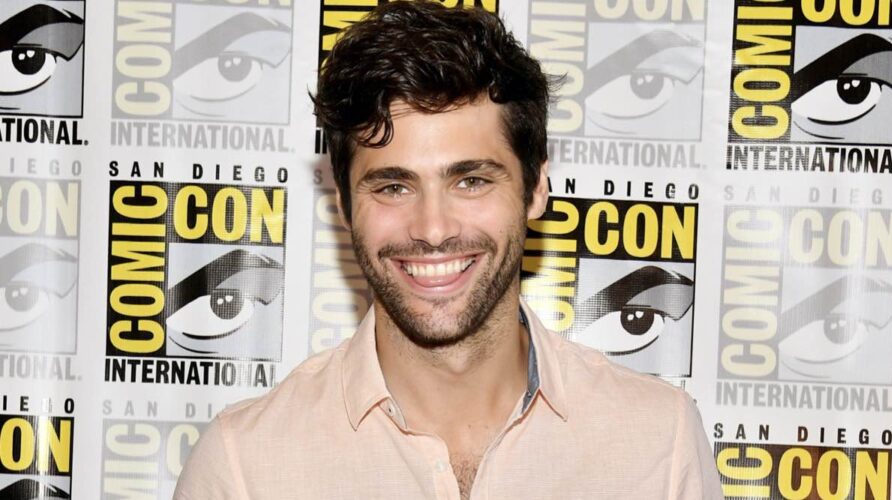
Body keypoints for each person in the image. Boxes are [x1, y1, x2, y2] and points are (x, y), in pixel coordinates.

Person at [174, 2, 724, 498]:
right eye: (394, 187)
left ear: (536, 188)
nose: (433, 229)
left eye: (471, 181)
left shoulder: (659, 440)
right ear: (343, 204)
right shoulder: (246, 466)